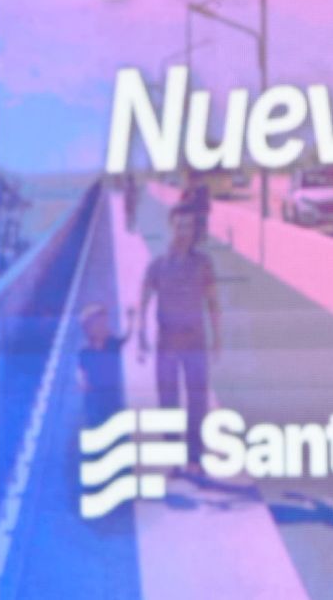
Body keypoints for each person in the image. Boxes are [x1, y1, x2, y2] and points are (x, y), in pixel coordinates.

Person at [138, 196, 221, 471]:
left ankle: (194, 458)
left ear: (195, 231)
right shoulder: (158, 265)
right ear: (170, 227)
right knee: (168, 401)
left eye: (188, 227)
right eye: (179, 226)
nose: (184, 232)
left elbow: (212, 301)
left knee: (198, 401)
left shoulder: (203, 263)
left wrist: (217, 337)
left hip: (196, 341)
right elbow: (144, 299)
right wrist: (140, 333)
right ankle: (173, 458)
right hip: (167, 342)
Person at [77, 303, 136, 428]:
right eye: (100, 325)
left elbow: (126, 337)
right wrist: (83, 383)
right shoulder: (85, 352)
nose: (104, 327)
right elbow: (81, 371)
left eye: (105, 324)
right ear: (88, 330)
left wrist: (131, 320)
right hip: (96, 397)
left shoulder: (112, 344)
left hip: (113, 395)